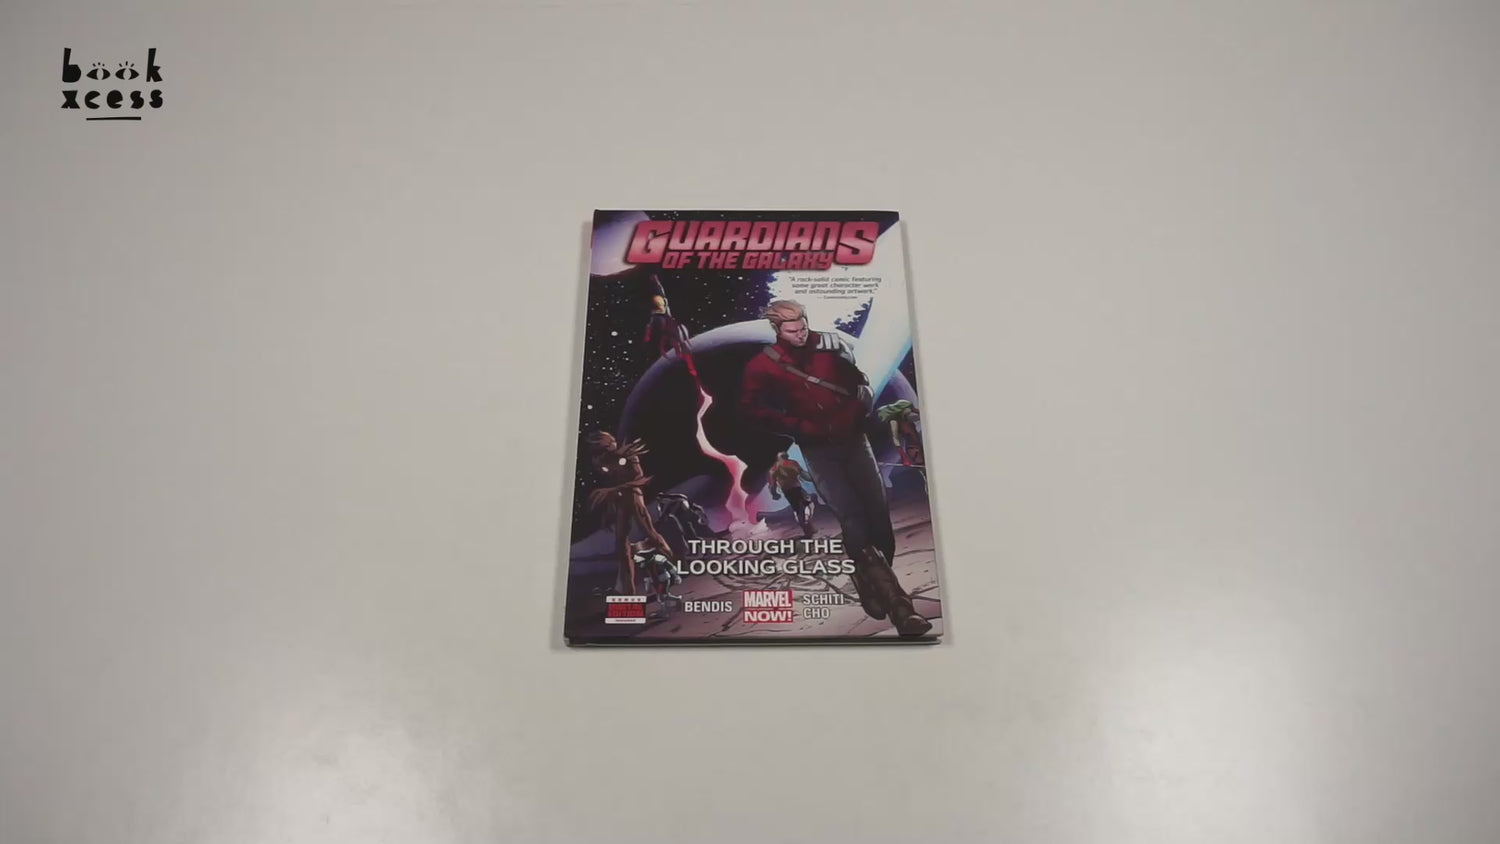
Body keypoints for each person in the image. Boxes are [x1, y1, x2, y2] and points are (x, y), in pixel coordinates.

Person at [738, 300, 930, 636]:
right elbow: (752, 410)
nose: (800, 334)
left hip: (855, 440)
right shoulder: (762, 366)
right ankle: (901, 608)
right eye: (792, 331)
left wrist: (855, 410)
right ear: (777, 329)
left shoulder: (831, 345)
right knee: (852, 518)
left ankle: (866, 577)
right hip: (817, 450)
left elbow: (859, 383)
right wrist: (798, 426)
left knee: (879, 520)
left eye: (802, 327)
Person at [767, 452, 817, 538]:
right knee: (802, 508)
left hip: (793, 489)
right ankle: (808, 530)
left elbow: (772, 485)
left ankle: (809, 529)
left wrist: (774, 493)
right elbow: (804, 475)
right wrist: (774, 493)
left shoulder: (781, 466)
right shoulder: (785, 465)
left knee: (802, 508)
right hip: (793, 490)